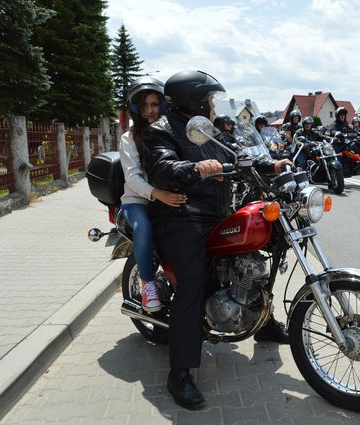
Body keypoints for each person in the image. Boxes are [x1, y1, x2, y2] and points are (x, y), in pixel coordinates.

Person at [143, 70, 291, 409]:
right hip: (182, 219)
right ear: (194, 100)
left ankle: (262, 320)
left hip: (215, 213)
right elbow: (161, 168)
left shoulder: (206, 130)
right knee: (192, 285)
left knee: (259, 252)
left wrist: (271, 165)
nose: (213, 105)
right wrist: (195, 169)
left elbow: (238, 152)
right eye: (209, 100)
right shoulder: (160, 131)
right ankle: (179, 373)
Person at [118, 76, 187, 313]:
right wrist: (158, 194)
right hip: (137, 200)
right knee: (143, 227)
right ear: (136, 108)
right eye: (145, 105)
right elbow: (132, 177)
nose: (150, 110)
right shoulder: (128, 138)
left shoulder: (172, 131)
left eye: (155, 104)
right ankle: (147, 283)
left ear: (163, 105)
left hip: (167, 196)